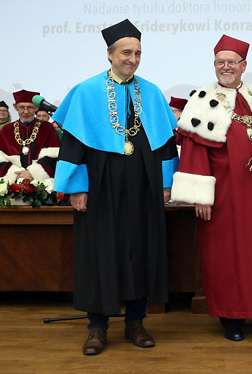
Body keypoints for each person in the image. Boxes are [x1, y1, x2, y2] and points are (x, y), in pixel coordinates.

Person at [52, 19, 179, 356]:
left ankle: (136, 322)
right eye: (126, 52)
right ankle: (97, 327)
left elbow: (166, 143)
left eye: (137, 53)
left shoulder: (150, 92)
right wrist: (78, 188)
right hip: (101, 185)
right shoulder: (87, 91)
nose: (133, 59)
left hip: (143, 184)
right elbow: (74, 143)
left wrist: (166, 184)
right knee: (100, 252)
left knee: (141, 249)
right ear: (110, 54)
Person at [171, 34, 252, 341]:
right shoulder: (202, 99)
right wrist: (200, 196)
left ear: (243, 65)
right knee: (228, 253)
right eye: (220, 62)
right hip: (224, 193)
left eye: (232, 62)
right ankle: (232, 317)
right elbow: (195, 150)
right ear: (214, 66)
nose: (226, 67)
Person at [0, 90, 60, 181]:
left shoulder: (47, 127)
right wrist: (17, 174)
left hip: (42, 184)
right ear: (15, 107)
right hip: (13, 184)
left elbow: (53, 155)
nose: (25, 111)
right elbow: (1, 158)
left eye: (30, 107)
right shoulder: (7, 130)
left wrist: (32, 173)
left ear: (36, 107)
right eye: (21, 107)